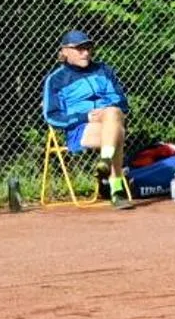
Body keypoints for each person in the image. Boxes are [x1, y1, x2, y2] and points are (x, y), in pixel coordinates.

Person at [41, 29, 135, 208]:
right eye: (79, 49)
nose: (86, 53)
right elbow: (52, 116)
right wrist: (85, 116)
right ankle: (116, 188)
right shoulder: (56, 80)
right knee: (118, 133)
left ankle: (106, 162)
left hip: (109, 121)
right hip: (80, 130)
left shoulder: (103, 70)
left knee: (113, 112)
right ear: (64, 51)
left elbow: (121, 101)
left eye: (88, 48)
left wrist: (104, 111)